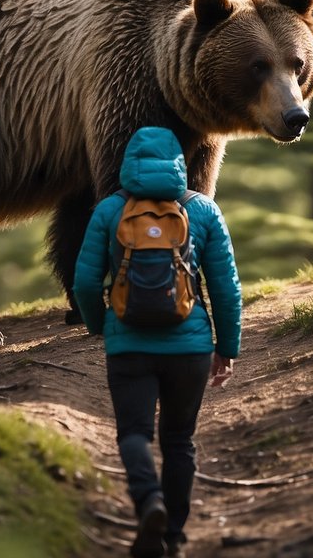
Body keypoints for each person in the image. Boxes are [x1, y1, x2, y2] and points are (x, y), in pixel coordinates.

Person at [74, 126, 242, 558]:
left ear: (130, 163)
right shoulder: (202, 209)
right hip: (190, 349)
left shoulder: (111, 210)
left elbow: (85, 282)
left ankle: (150, 502)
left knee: (133, 433)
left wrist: (101, 325)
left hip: (128, 344)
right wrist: (227, 346)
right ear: (179, 165)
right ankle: (175, 536)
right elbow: (225, 287)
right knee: (179, 441)